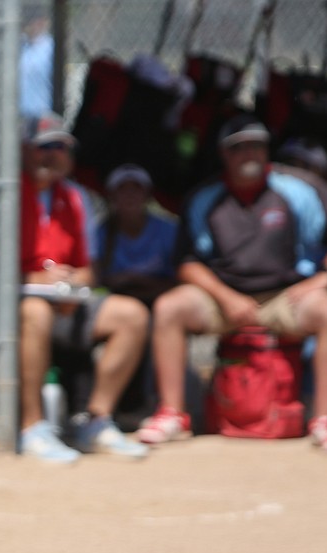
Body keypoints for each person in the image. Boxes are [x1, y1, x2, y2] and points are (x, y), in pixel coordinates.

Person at [137, 116, 327, 449]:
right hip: (225, 298)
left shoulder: (301, 190)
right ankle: (171, 414)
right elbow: (187, 264)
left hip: (284, 297)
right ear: (225, 155)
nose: (249, 154)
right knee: (171, 307)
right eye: (240, 148)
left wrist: (316, 282)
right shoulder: (205, 198)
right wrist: (225, 297)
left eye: (256, 146)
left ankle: (322, 419)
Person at [14, 114, 150, 462]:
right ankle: (33, 428)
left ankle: (95, 421)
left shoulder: (74, 197)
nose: (53, 156)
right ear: (24, 150)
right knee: (35, 311)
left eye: (61, 148)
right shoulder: (2, 192)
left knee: (131, 315)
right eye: (45, 147)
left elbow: (89, 271)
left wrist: (71, 285)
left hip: (65, 304)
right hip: (12, 306)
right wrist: (32, 281)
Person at [92, 164, 179, 428]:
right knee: (130, 321)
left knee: (158, 317)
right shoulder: (102, 232)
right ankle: (115, 410)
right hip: (118, 302)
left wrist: (143, 284)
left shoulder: (167, 229)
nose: (129, 196)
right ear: (112, 197)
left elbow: (179, 275)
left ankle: (160, 407)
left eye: (136, 190)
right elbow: (96, 278)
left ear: (147, 196)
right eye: (122, 190)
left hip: (159, 299)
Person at [19, 4, 54, 122]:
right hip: (21, 114)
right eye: (28, 22)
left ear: (43, 22)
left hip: (43, 114)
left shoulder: (50, 48)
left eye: (35, 21)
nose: (30, 26)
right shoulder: (21, 46)